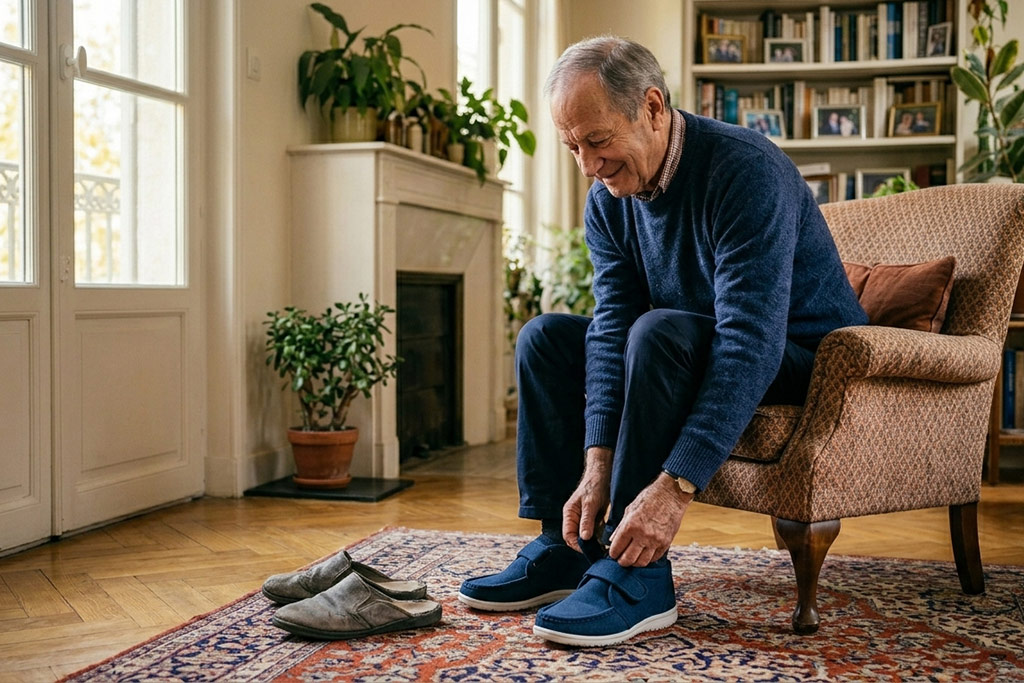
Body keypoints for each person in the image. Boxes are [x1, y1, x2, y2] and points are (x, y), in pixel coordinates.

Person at [458, 36, 867, 647]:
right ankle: (566, 545)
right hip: (694, 342)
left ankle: (638, 575)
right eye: (573, 148)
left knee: (661, 330)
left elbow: (750, 341)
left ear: (651, 107)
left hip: (805, 360)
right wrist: (596, 461)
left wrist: (675, 488)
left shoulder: (746, 171)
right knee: (546, 336)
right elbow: (610, 325)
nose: (589, 166)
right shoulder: (608, 200)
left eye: (597, 141)